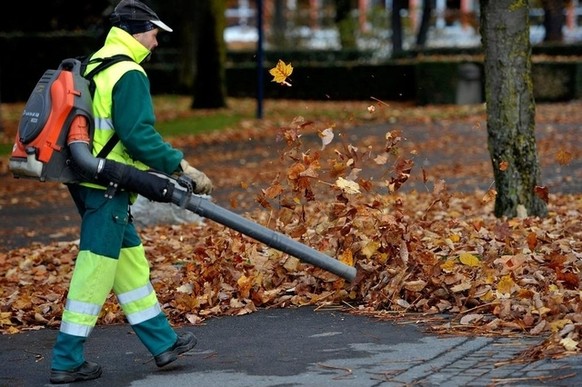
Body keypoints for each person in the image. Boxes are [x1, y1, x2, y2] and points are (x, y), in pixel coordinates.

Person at [49, 0, 213, 383]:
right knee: (95, 268)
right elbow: (138, 135)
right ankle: (67, 358)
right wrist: (180, 165)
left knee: (130, 262)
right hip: (107, 185)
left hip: (87, 179)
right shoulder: (128, 72)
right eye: (155, 34)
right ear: (138, 31)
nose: (156, 43)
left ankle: (163, 342)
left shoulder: (94, 64)